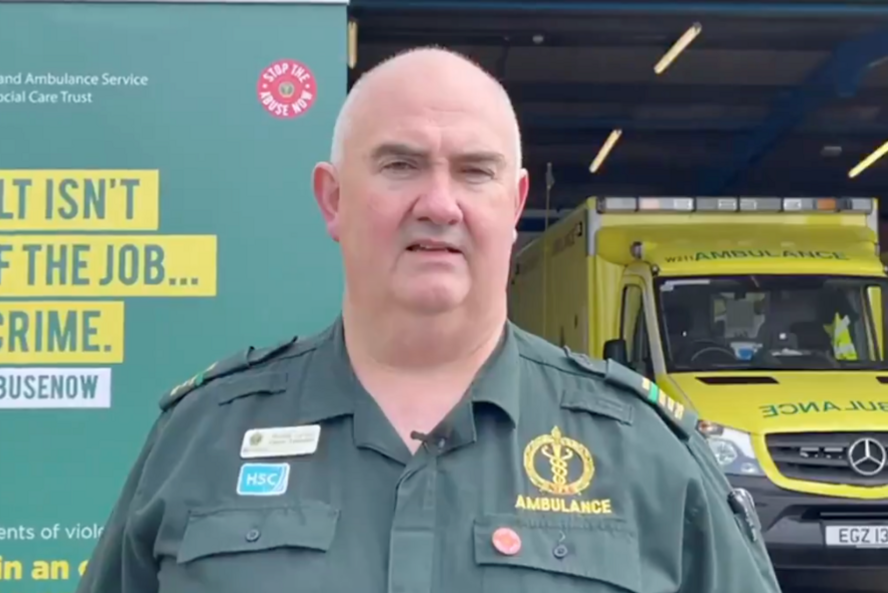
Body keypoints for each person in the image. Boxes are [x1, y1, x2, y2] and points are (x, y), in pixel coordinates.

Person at [75, 46, 782, 593]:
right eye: (400, 164)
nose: (439, 204)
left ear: (514, 203)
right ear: (333, 199)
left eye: (475, 171)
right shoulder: (199, 440)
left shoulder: (650, 457)